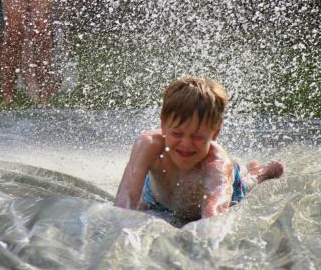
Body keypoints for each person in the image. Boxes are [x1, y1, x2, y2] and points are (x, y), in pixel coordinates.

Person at [114, 77, 284, 221]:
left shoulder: (217, 165)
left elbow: (214, 215)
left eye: (197, 136)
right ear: (163, 125)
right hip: (158, 198)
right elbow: (126, 198)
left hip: (227, 190)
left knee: (249, 183)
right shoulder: (149, 144)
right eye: (177, 133)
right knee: (141, 207)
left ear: (215, 132)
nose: (186, 144)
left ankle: (259, 172)